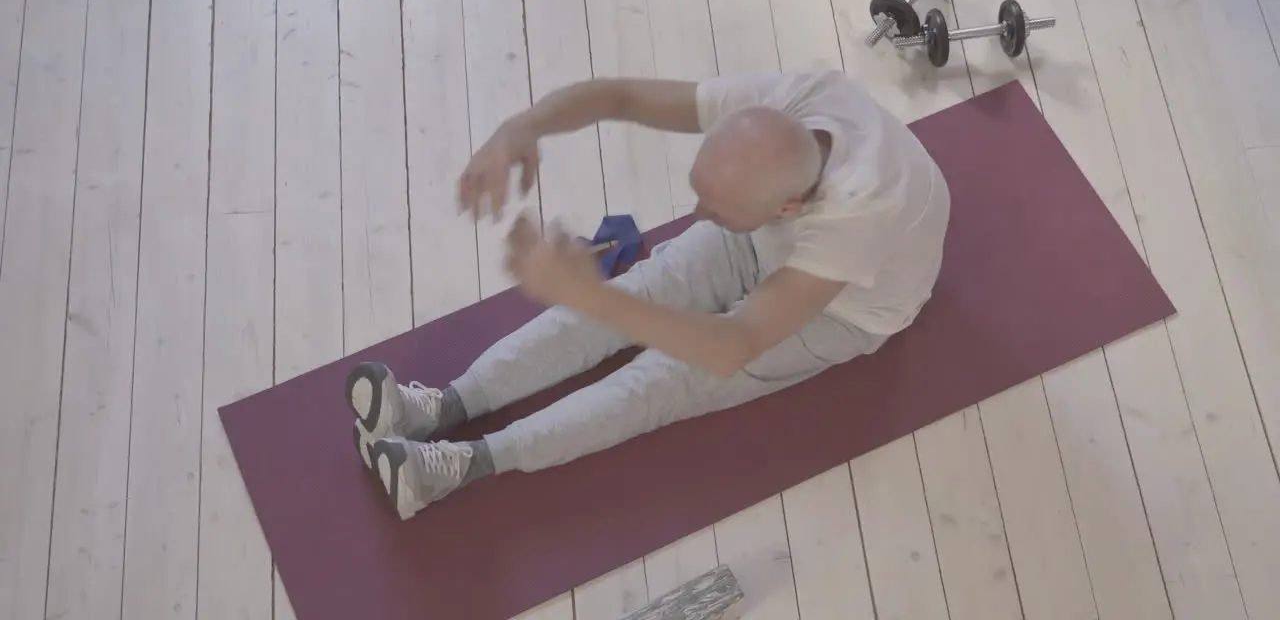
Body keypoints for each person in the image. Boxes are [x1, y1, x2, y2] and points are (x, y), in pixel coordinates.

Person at [345, 70, 951, 520]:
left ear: (787, 207)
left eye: (716, 206)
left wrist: (588, 292)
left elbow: (730, 347)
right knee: (642, 288)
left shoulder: (861, 211)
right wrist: (520, 126)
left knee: (669, 376)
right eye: (699, 190)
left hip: (847, 310)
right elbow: (622, 97)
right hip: (765, 239)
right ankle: (443, 406)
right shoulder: (788, 101)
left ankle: (459, 465)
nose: (696, 213)